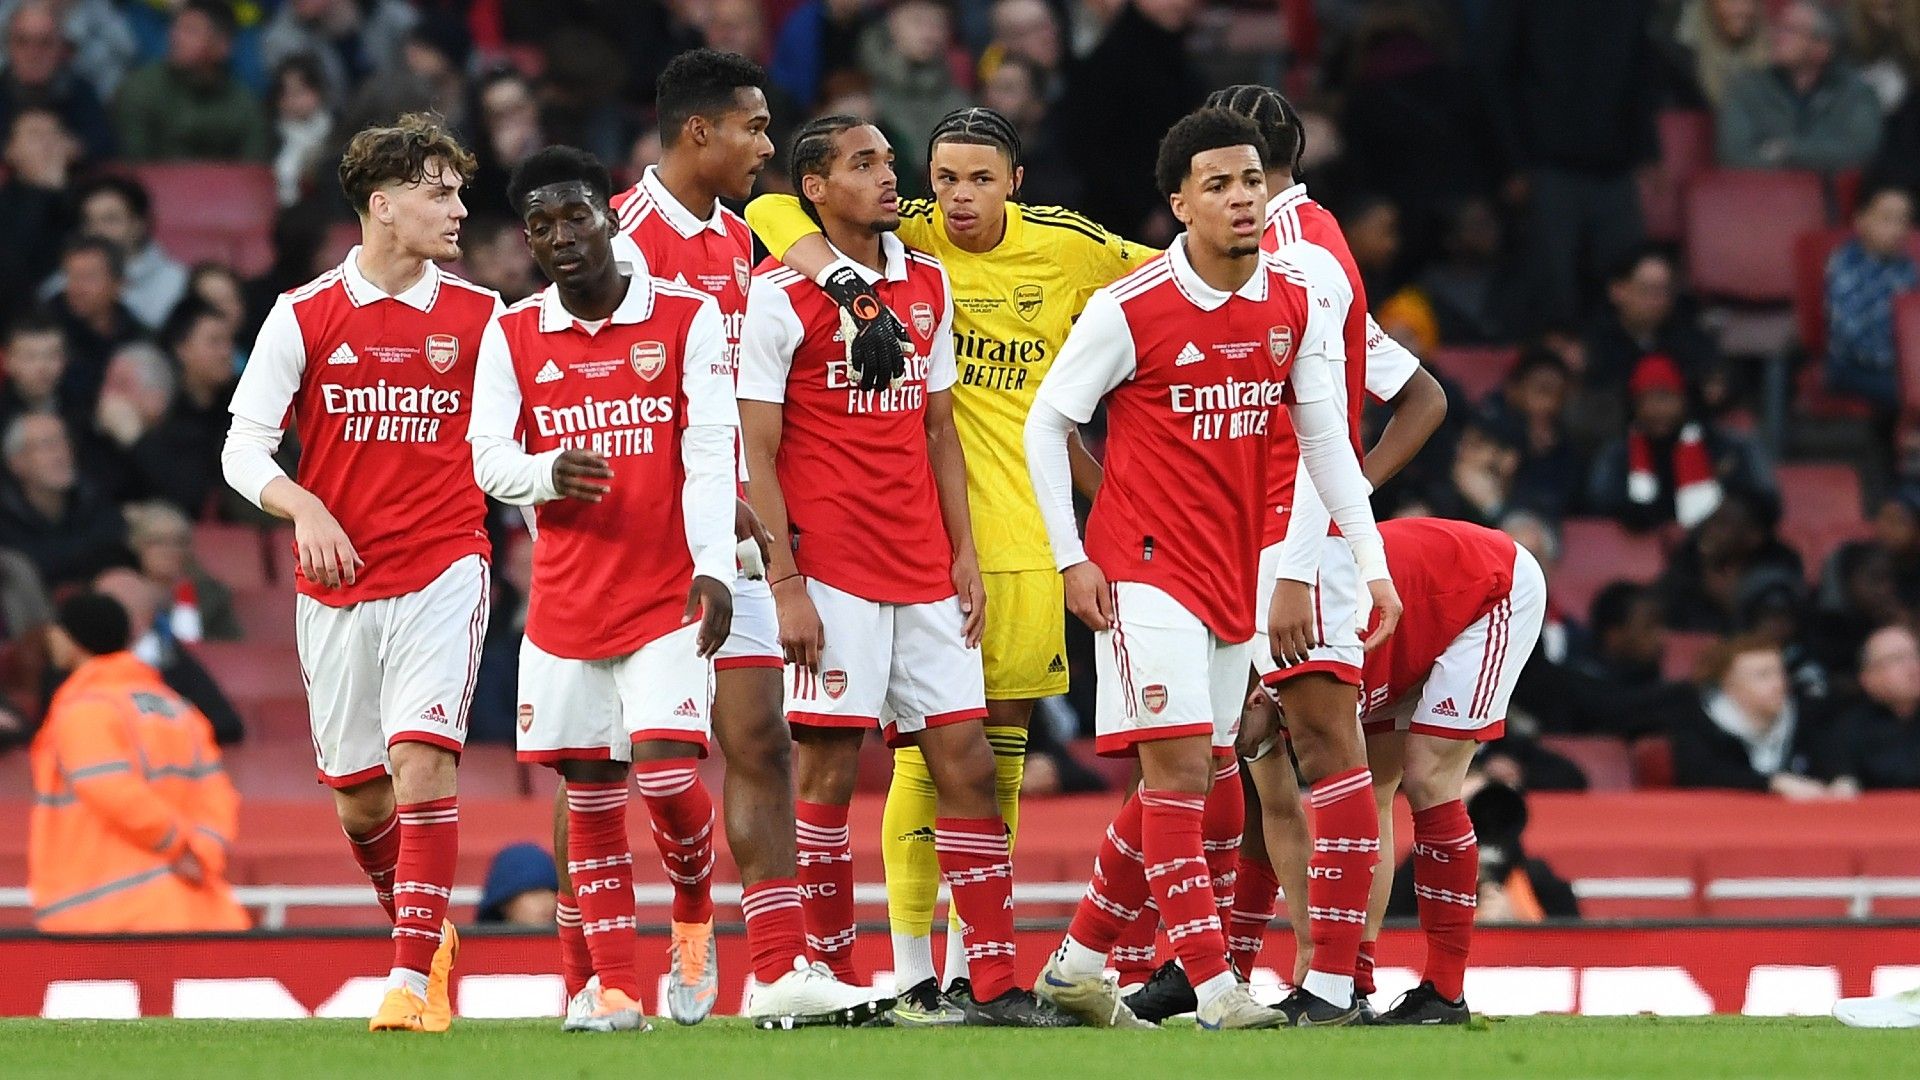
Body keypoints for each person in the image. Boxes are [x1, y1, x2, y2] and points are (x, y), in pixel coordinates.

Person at [744, 104, 1150, 1021]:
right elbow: (754, 448)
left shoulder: (931, 277)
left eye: (894, 163)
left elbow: (938, 430)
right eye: (874, 165)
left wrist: (962, 550)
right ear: (820, 188)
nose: (910, 184)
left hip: (945, 560)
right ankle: (841, 976)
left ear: (1015, 180)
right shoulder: (780, 295)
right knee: (831, 769)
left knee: (970, 758)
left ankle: (992, 978)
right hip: (835, 567)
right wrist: (786, 580)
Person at [472, 144, 880, 1032]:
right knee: (589, 792)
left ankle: (697, 915)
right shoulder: (510, 333)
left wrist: (709, 563)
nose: (561, 236)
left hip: (668, 586)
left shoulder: (687, 316)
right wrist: (544, 475)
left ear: (608, 216)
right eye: (541, 225)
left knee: (666, 774)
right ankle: (608, 987)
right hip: (568, 599)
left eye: (575, 215)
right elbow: (491, 460)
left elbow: (706, 452)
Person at [1025, 108, 1398, 1031]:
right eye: (1219, 185)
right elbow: (1047, 422)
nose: (1241, 198)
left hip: (1236, 568)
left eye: (1251, 181)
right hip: (1142, 566)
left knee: (1187, 772)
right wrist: (1070, 555)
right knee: (1187, 770)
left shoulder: (1294, 299)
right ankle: (1217, 986)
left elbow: (1326, 440)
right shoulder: (1132, 306)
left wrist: (1372, 562)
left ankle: (1075, 963)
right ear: (1179, 202)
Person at [1147, 82, 1440, 1026]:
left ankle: (1334, 980)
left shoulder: (1303, 257)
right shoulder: (1298, 244)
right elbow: (1417, 392)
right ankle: (1216, 967)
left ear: (1253, 168)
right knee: (1241, 756)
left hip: (1289, 545)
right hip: (1248, 535)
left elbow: (1343, 414)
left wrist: (1314, 544)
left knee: (1322, 749)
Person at [220, 114, 502, 1034]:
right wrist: (304, 506)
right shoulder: (304, 313)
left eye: (458, 190)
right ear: (381, 206)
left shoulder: (482, 316)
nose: (458, 207)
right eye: (438, 191)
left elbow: (519, 448)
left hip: (444, 565)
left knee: (421, 760)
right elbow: (242, 449)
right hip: (337, 587)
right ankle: (426, 937)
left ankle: (410, 980)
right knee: (358, 796)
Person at [592, 47, 794, 1027]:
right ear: (699, 130)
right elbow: (602, 399)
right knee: (603, 762)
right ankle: (599, 969)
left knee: (760, 737)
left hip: (735, 533)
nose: (768, 144)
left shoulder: (736, 241)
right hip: (639, 544)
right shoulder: (622, 244)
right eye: (754, 126)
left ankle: (780, 966)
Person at [1342, 518, 1548, 1025]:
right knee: (1368, 791)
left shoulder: (1318, 648)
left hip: (1492, 591)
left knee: (1429, 779)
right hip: (1406, 613)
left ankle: (1444, 991)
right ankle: (1353, 981)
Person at [28, 591, 246, 932]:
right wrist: (201, 853)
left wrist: (178, 845)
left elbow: (108, 788)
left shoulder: (85, 708)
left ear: (72, 638)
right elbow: (219, 797)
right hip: (196, 910)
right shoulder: (179, 709)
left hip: (111, 921)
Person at [1482, 0, 1661, 330]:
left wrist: (1648, 153)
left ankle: (1617, 368)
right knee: (1552, 286)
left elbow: (1641, 68)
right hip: (1547, 166)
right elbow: (1495, 75)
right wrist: (1514, 163)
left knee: (1623, 278)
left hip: (1616, 165)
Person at [1589, 353, 1771, 532]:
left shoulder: (1728, 447)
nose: (1656, 409)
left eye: (1665, 397)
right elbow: (1600, 506)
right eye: (1645, 400)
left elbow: (1762, 504)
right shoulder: (1618, 455)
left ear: (1685, 399)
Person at [1671, 634, 1853, 796]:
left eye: (1779, 673)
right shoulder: (1698, 720)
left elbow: (1833, 757)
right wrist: (1772, 784)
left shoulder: (1808, 715)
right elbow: (1702, 775)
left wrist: (1842, 779)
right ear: (1728, 684)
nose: (1778, 683)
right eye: (1763, 675)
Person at [1716, 0, 1883, 170]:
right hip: (1763, 192)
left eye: (1790, 30)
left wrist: (1786, 150)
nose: (1778, 37)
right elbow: (1734, 155)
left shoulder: (1855, 93)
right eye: (1779, 28)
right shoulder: (1747, 88)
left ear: (1821, 48)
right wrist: (1817, 155)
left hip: (1830, 193)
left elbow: (1861, 151)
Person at [111, 0, 269, 162]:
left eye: (191, 31)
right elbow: (134, 168)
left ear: (223, 45)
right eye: (176, 28)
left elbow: (252, 169)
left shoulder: (243, 102)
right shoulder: (140, 91)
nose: (176, 37)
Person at [37, 175, 187, 331]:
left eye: (110, 220)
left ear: (139, 225)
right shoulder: (58, 287)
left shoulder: (177, 283)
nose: (97, 231)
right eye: (89, 221)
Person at [0, 412, 125, 588]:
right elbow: (26, 568)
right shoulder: (5, 517)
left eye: (64, 441)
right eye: (46, 445)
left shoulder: (93, 496)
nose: (61, 453)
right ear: (17, 462)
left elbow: (114, 549)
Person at [1825, 184, 1917, 412]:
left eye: (1903, 220)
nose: (1897, 229)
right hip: (1853, 367)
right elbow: (1850, 337)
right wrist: (1904, 364)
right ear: (1861, 221)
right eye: (1887, 219)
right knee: (1913, 393)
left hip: (1901, 366)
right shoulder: (1846, 265)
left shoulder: (1907, 267)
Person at [0, 0, 114, 160]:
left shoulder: (81, 92)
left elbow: (104, 145)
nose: (33, 54)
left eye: (44, 43)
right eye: (22, 42)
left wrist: (66, 149)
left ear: (61, 49)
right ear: (9, 48)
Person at [0, 106, 79, 329]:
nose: (47, 143)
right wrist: (45, 192)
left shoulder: (92, 199)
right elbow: (17, 267)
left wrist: (57, 193)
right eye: (35, 135)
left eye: (55, 134)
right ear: (10, 150)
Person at [48, 236, 142, 412]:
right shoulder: (48, 329)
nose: (77, 288)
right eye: (71, 276)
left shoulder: (137, 336)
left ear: (118, 284)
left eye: (89, 278)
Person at [126, 501, 239, 644]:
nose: (170, 550)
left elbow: (229, 648)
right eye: (158, 541)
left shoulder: (211, 595)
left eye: (179, 542)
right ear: (137, 545)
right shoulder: (122, 594)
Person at [1831, 625, 1920, 789]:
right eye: (1897, 659)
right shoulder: (1849, 730)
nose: (1913, 667)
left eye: (1915, 655)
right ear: (1868, 678)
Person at [1673, 0, 1771, 108]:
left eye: (1747, 1)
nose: (1739, 10)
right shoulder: (1681, 66)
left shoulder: (1774, 66)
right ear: (1709, 6)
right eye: (1730, 2)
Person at [474, 841, 559, 926]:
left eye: (551, 891)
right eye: (535, 892)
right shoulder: (478, 938)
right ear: (504, 904)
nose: (546, 901)